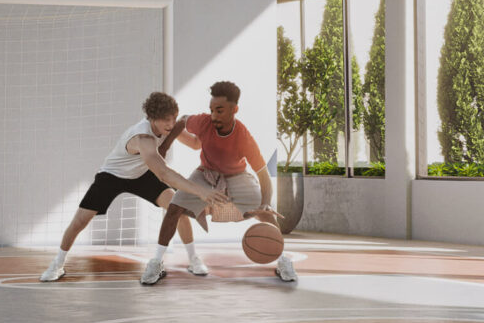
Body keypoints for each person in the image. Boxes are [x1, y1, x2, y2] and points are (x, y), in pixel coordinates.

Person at [39, 92, 227, 282]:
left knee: (176, 206)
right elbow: (163, 172)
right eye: (165, 121)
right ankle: (58, 263)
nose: (170, 124)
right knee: (80, 221)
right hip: (112, 175)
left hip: (141, 174)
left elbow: (195, 144)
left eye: (173, 119)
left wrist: (210, 129)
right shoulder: (143, 137)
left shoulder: (172, 127)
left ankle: (193, 258)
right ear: (152, 118)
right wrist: (201, 190)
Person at [140, 81, 297, 284]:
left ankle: (283, 260)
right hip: (206, 173)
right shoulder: (204, 122)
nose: (214, 116)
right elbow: (183, 121)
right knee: (174, 208)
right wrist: (165, 147)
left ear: (234, 109)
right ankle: (156, 262)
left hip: (238, 177)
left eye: (220, 111)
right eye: (212, 110)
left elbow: (264, 176)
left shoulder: (243, 137)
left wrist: (265, 202)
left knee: (266, 212)